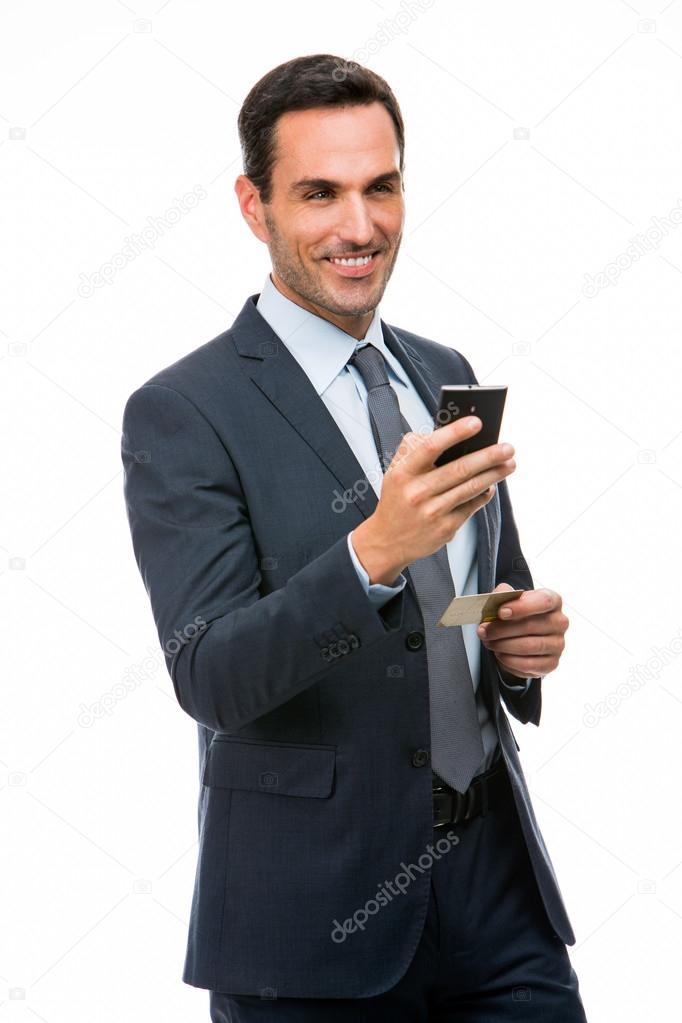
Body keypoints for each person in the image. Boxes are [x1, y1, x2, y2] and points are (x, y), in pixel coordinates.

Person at [120, 53, 587, 1022]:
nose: (358, 227)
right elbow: (209, 676)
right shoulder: (183, 411)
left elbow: (473, 597)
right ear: (254, 206)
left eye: (381, 188)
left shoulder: (441, 370)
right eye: (319, 194)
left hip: (497, 896)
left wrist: (516, 646)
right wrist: (371, 550)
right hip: (309, 922)